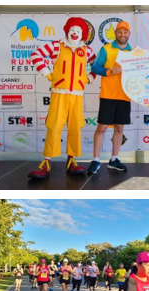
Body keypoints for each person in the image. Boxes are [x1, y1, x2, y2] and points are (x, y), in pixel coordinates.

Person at [28, 17, 96, 178]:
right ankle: (46, 162)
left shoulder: (87, 50)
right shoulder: (56, 45)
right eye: (72, 30)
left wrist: (88, 78)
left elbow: (97, 66)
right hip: (59, 93)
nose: (75, 33)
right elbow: (36, 55)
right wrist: (48, 74)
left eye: (78, 31)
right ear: (67, 31)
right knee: (54, 125)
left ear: (83, 34)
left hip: (77, 95)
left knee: (75, 126)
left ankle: (71, 160)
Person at [88, 21, 132, 174]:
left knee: (120, 128)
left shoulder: (133, 52)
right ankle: (95, 160)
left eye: (125, 32)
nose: (122, 35)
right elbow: (94, 67)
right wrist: (109, 71)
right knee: (102, 127)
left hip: (125, 95)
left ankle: (114, 159)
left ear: (129, 34)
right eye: (120, 32)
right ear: (115, 33)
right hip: (108, 94)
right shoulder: (106, 48)